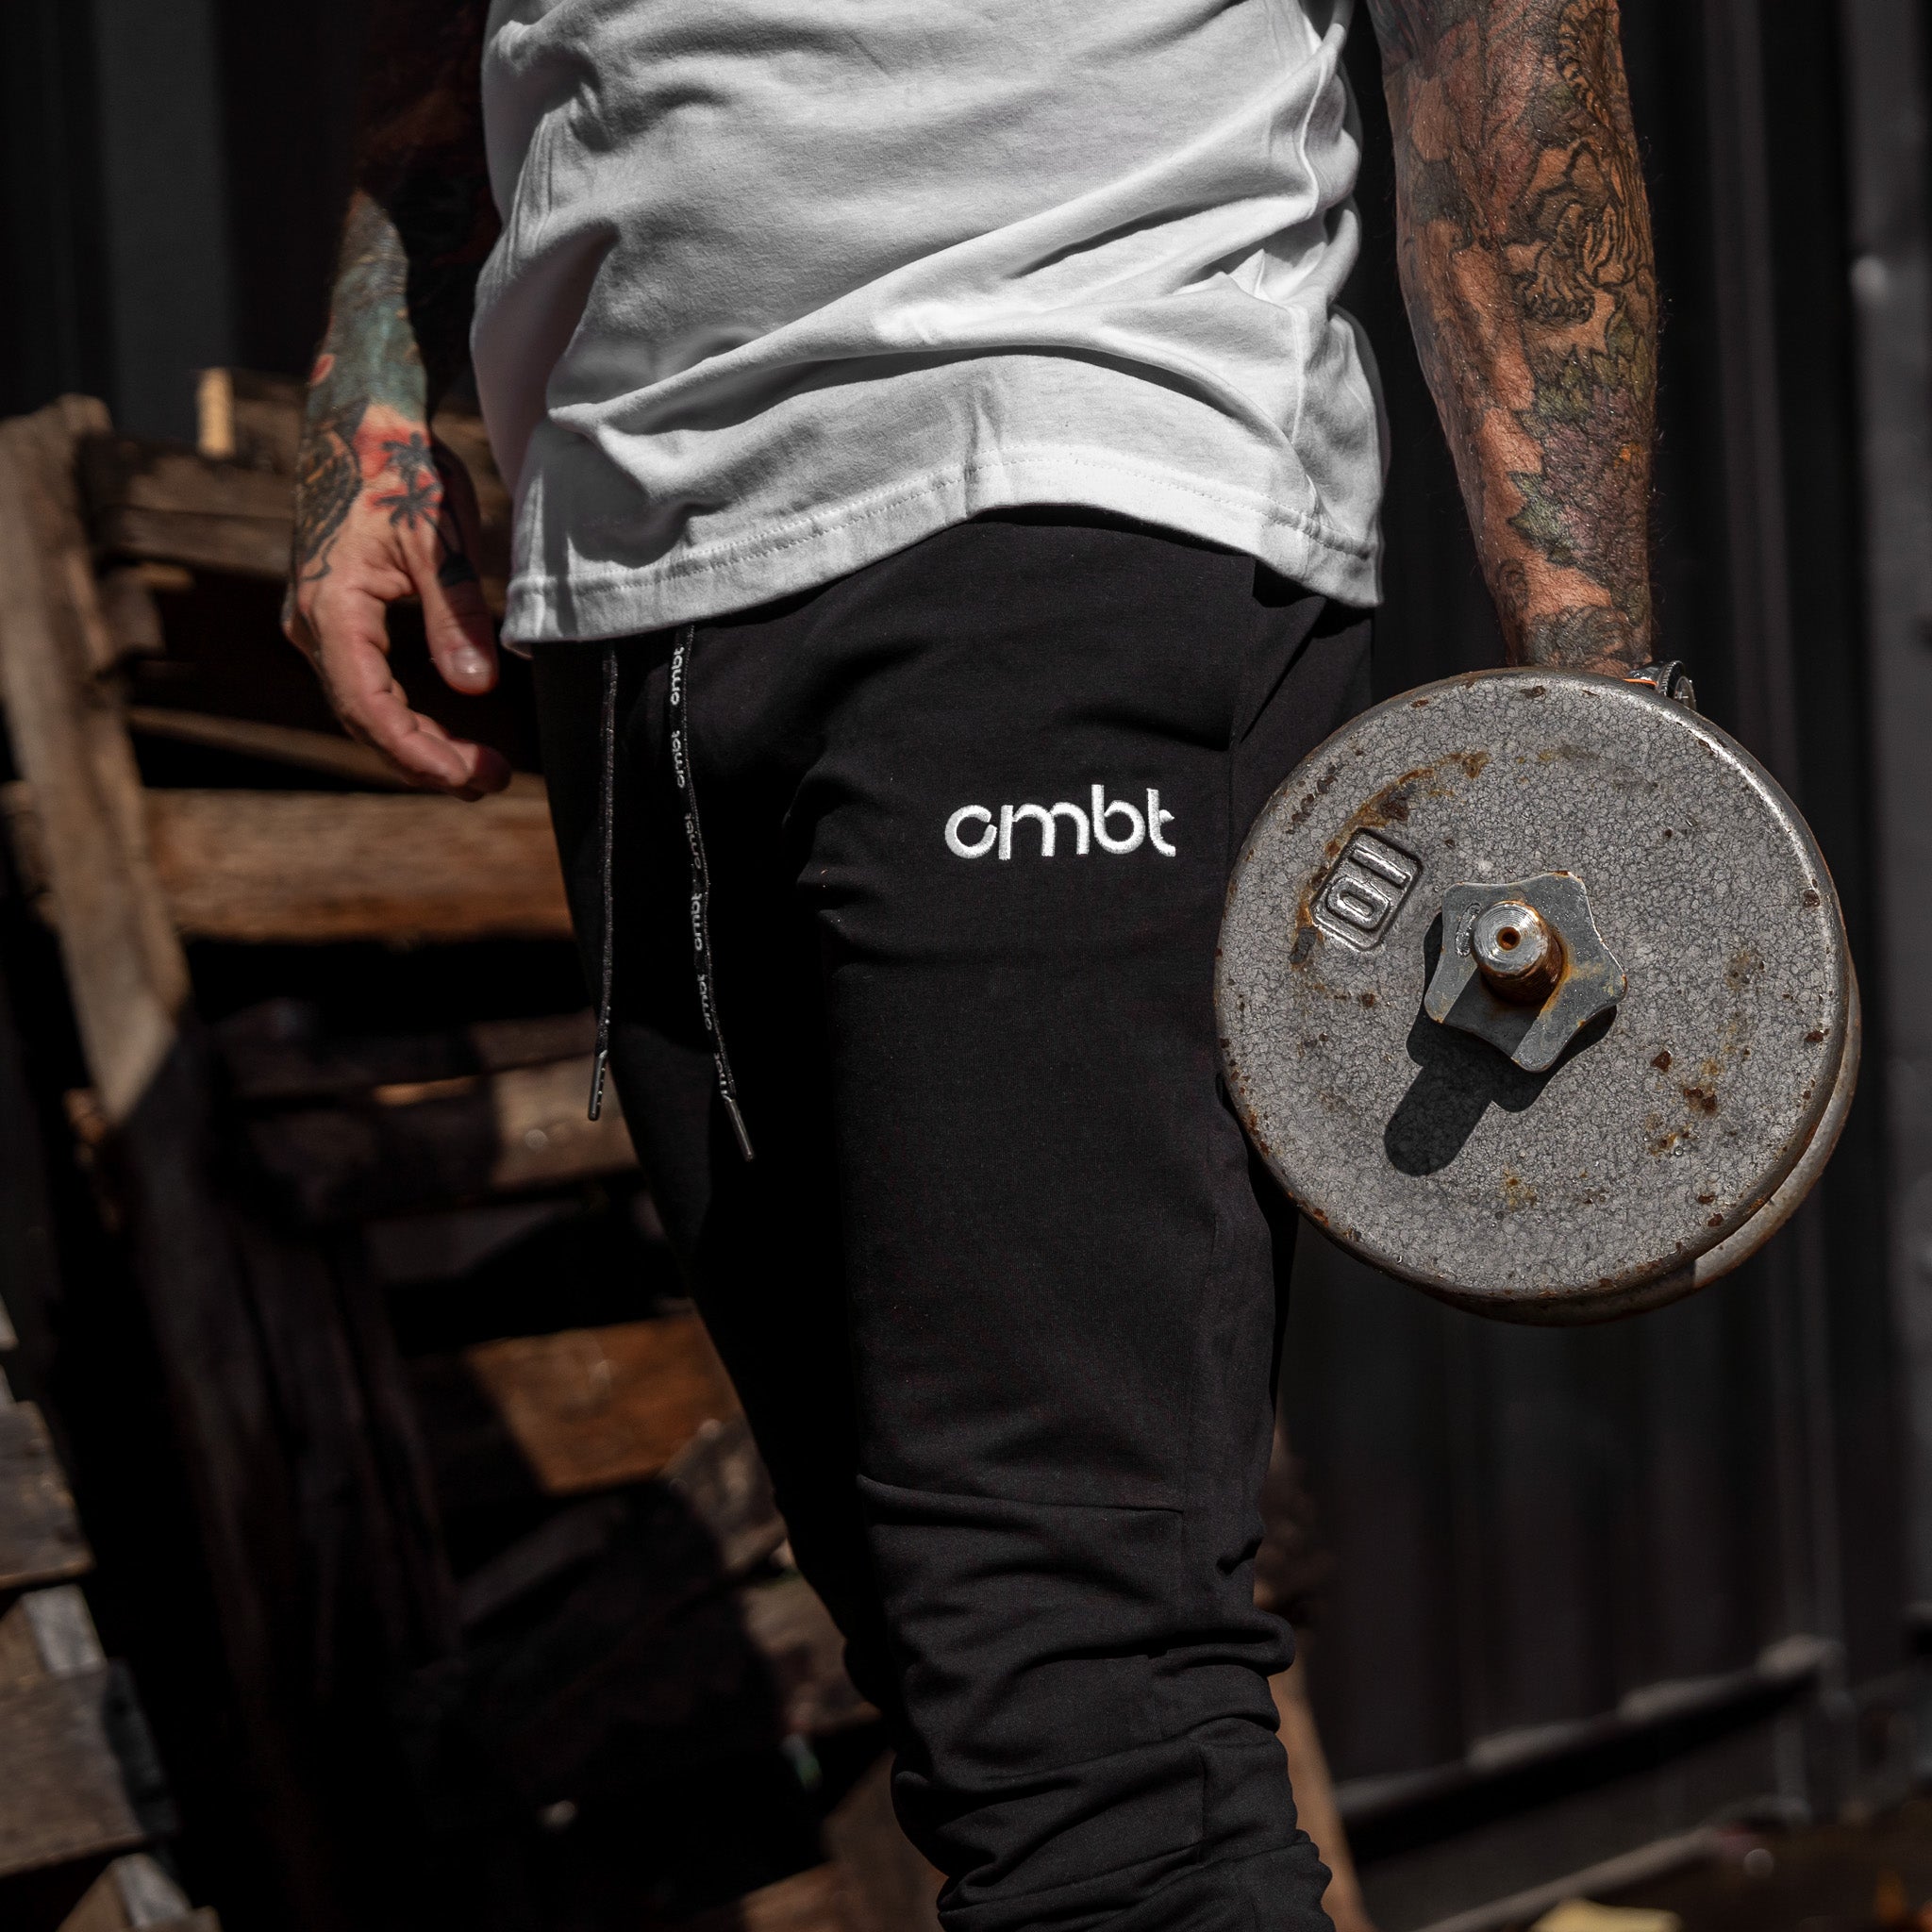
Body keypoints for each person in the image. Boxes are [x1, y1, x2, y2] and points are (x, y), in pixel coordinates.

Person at [284, 2, 1657, 1925]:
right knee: (947, 1664)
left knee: (1080, 1717)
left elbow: (1491, 43)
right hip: (629, 583)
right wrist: (375, 416)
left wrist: (1597, 720)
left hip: (1058, 477)